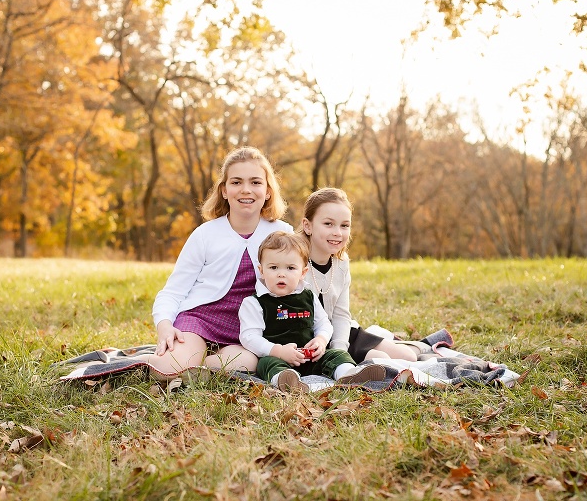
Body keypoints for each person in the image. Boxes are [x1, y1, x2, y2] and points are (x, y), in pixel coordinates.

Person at [150, 146, 292, 375]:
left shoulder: (282, 233)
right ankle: (180, 358)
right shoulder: (205, 234)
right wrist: (164, 325)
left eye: (256, 182)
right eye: (236, 182)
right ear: (224, 190)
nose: (246, 190)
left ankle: (205, 363)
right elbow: (173, 291)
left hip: (251, 326)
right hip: (201, 319)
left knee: (247, 364)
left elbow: (300, 285)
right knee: (169, 368)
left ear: (268, 191)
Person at [238, 231, 386, 392]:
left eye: (290, 268)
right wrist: (278, 351)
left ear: (303, 273)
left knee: (335, 354)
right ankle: (286, 380)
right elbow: (249, 337)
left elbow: (324, 324)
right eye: (273, 267)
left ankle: (348, 374)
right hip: (279, 358)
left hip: (312, 357)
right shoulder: (254, 303)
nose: (281, 273)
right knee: (266, 364)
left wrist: (321, 340)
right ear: (261, 270)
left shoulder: (308, 297)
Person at [298, 187, 422, 363]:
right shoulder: (294, 263)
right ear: (307, 226)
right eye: (328, 224)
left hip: (341, 333)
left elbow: (341, 314)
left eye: (344, 225)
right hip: (310, 340)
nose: (337, 232)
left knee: (409, 356)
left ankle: (416, 348)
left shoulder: (341, 264)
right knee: (381, 359)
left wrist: (339, 350)